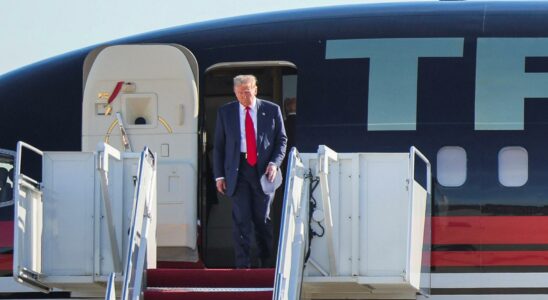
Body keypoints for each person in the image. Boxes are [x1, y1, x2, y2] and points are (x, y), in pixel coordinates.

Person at [214, 75, 287, 268]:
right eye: (239, 93)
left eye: (246, 92)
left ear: (255, 89)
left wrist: (274, 163)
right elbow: (219, 146)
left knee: (262, 218)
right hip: (238, 171)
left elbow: (282, 140)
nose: (243, 97)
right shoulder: (226, 112)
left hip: (263, 170)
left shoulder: (271, 110)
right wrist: (219, 175)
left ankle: (266, 263)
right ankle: (242, 266)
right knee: (241, 219)